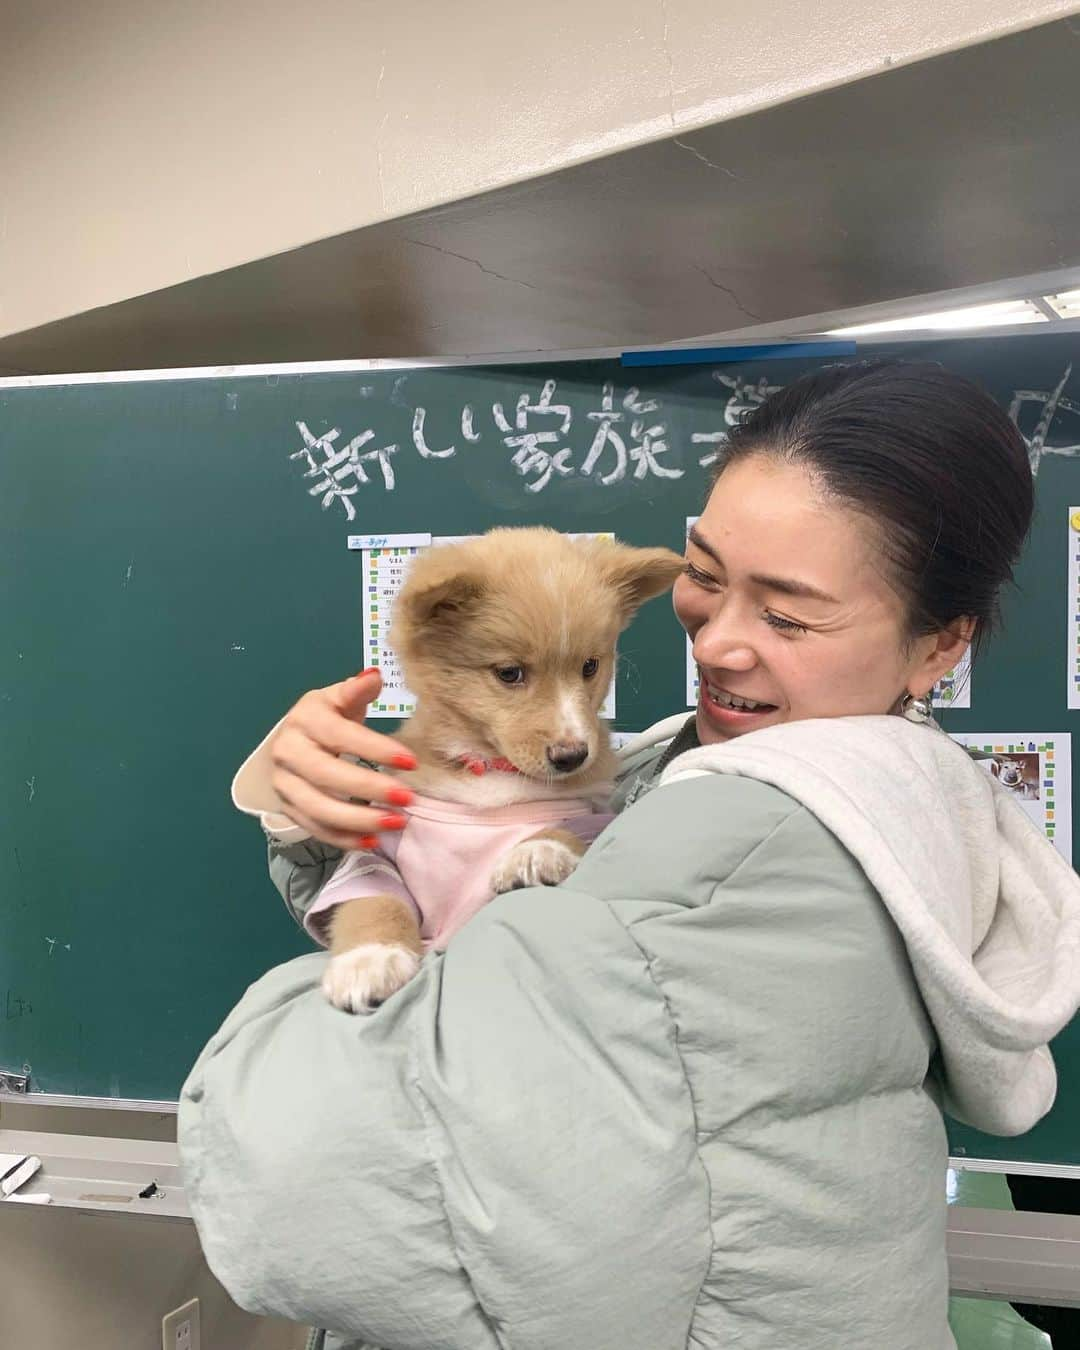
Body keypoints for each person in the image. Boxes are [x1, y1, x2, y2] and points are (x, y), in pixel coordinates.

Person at [179, 361, 1080, 1350]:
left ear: (937, 648)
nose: (719, 643)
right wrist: (315, 808)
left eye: (786, 614)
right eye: (702, 575)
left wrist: (278, 1019)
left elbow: (307, 1195)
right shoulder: (674, 770)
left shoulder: (758, 844)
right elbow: (429, 942)